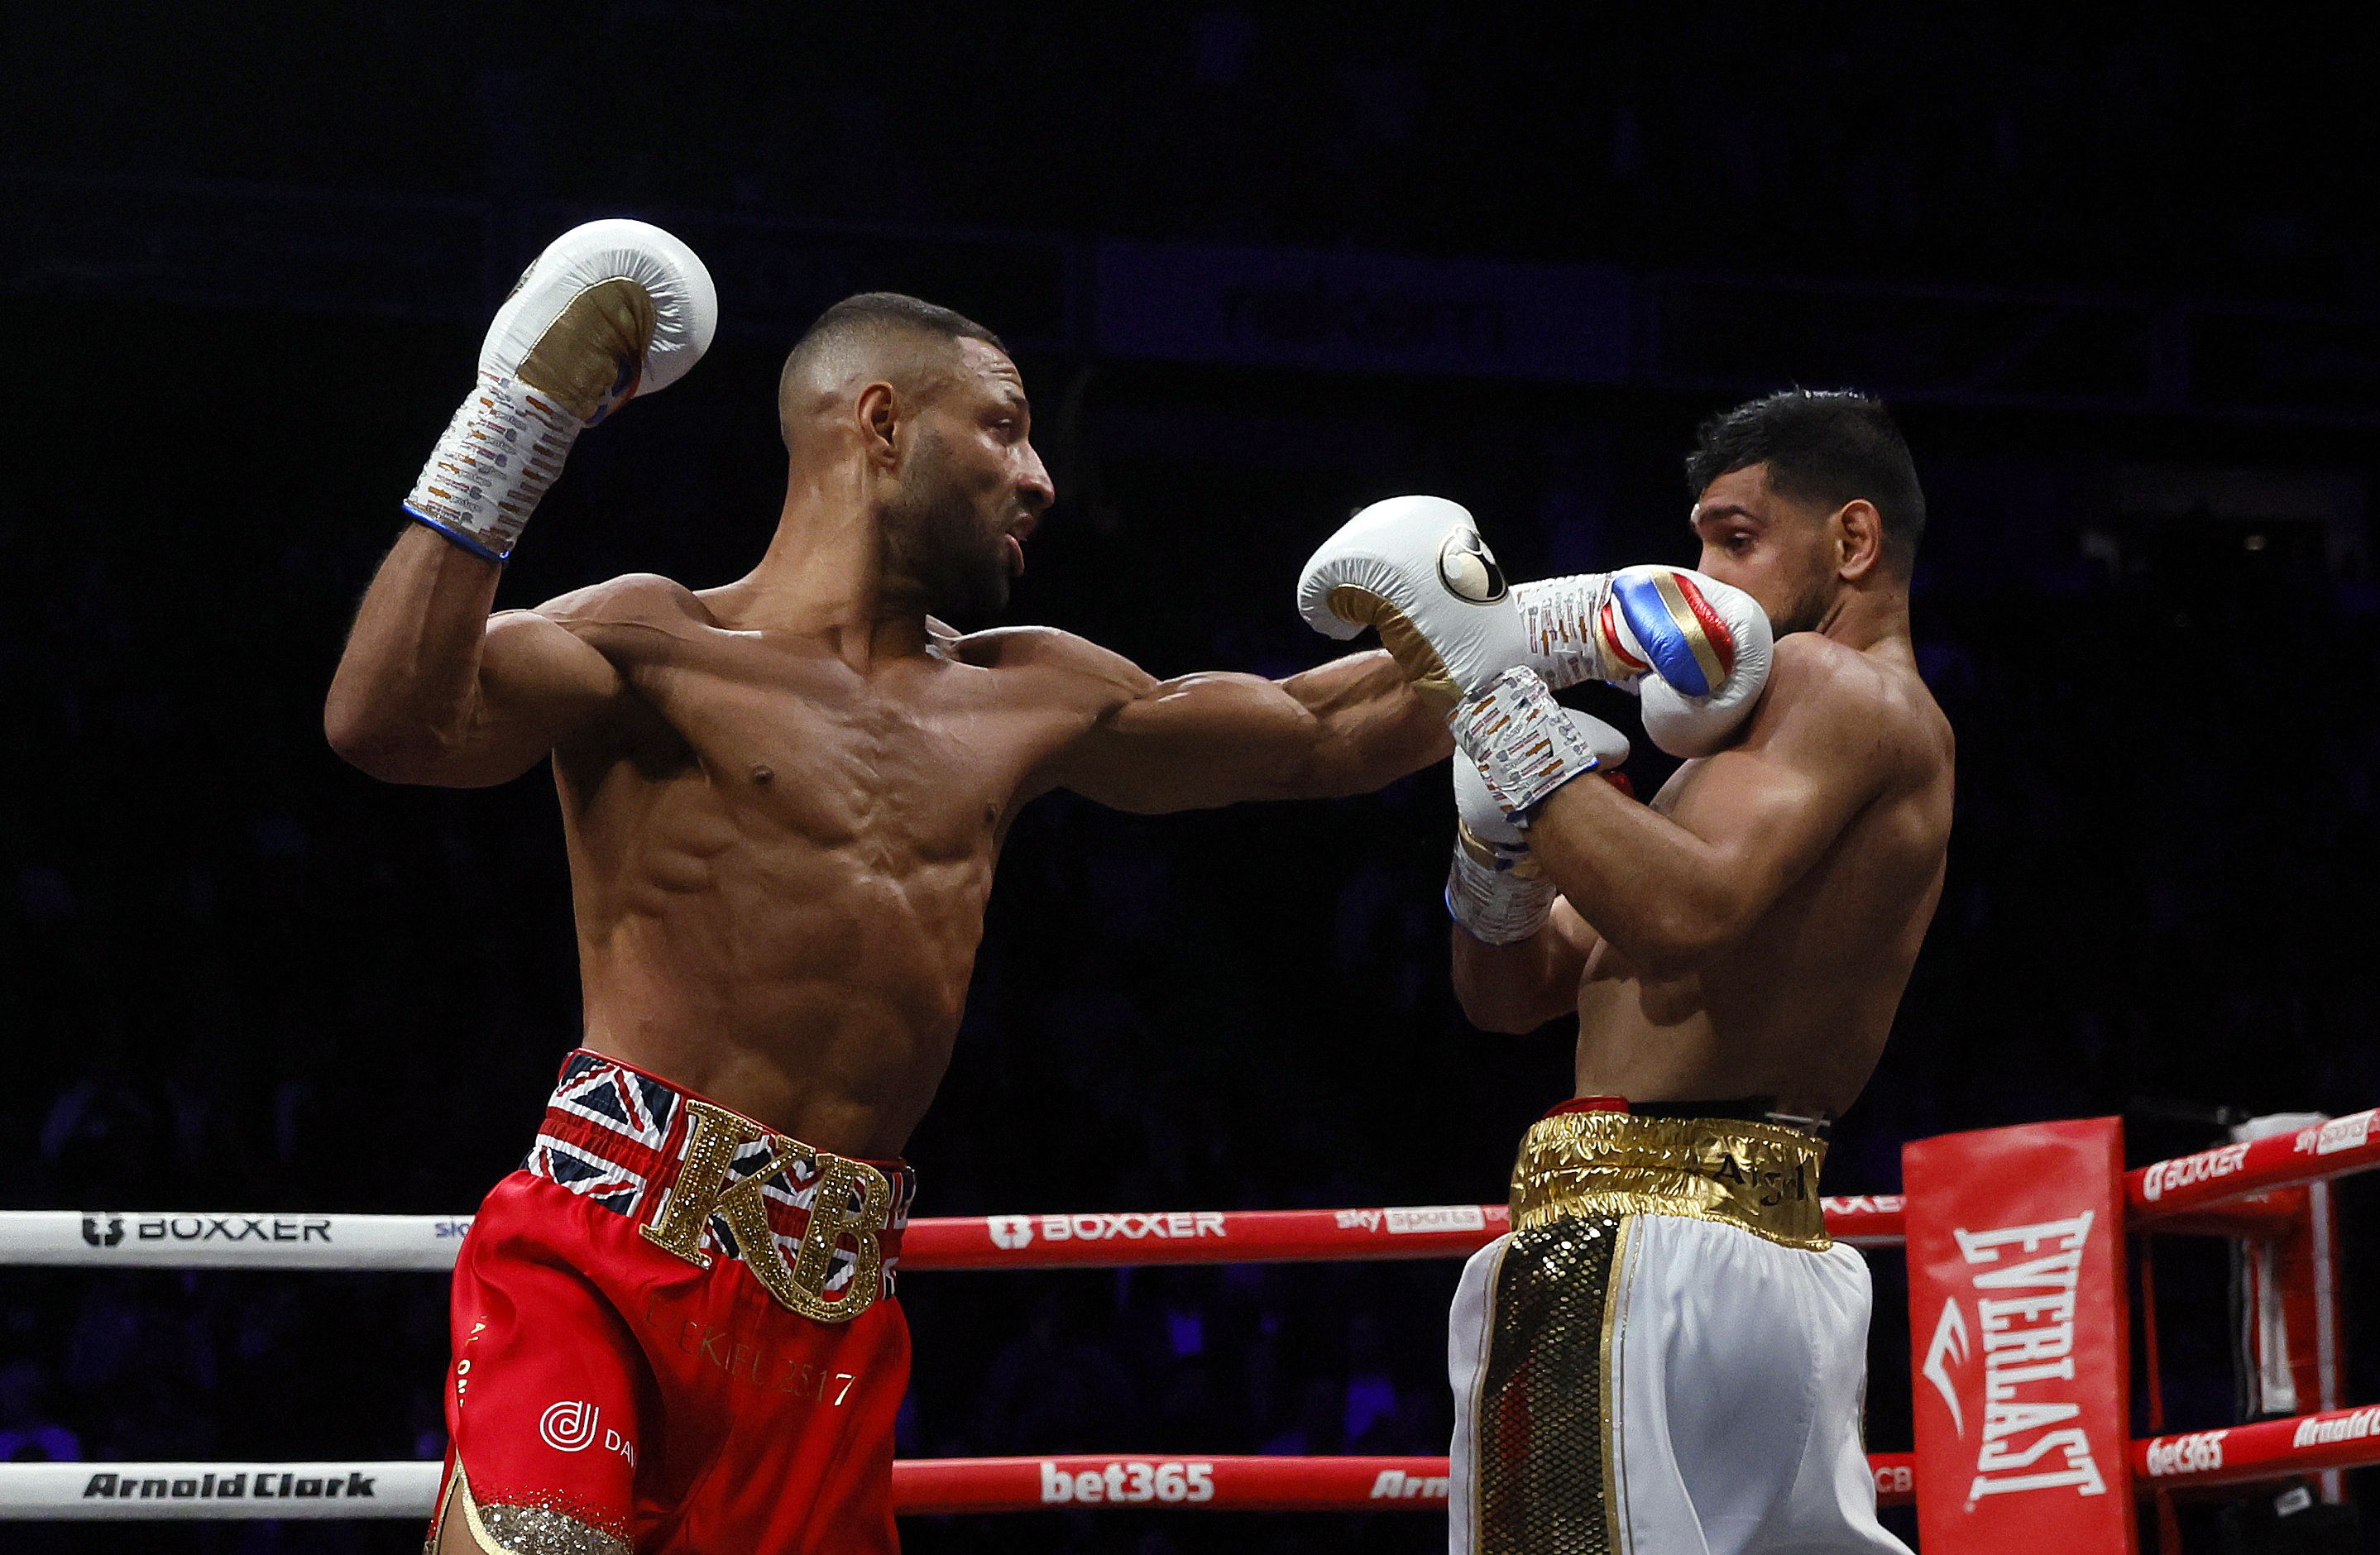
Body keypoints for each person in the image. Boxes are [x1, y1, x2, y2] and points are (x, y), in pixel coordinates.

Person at [323, 221, 1447, 1555]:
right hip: (608, 1255)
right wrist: (515, 424)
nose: (1038, 477)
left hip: (830, 1311)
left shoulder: (1031, 689)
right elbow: (387, 726)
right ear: (880, 423)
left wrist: (1545, 627)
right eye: (1005, 427)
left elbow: (1323, 738)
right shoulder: (656, 642)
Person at [1297, 390, 1952, 1554]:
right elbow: (1513, 994)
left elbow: (1676, 916)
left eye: (1735, 537)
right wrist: (1494, 858)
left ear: (1853, 542)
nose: (1700, 574)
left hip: (1638, 1243)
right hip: (1763, 1258)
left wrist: (1490, 697)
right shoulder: (1770, 741)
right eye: (1698, 537)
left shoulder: (1830, 685)